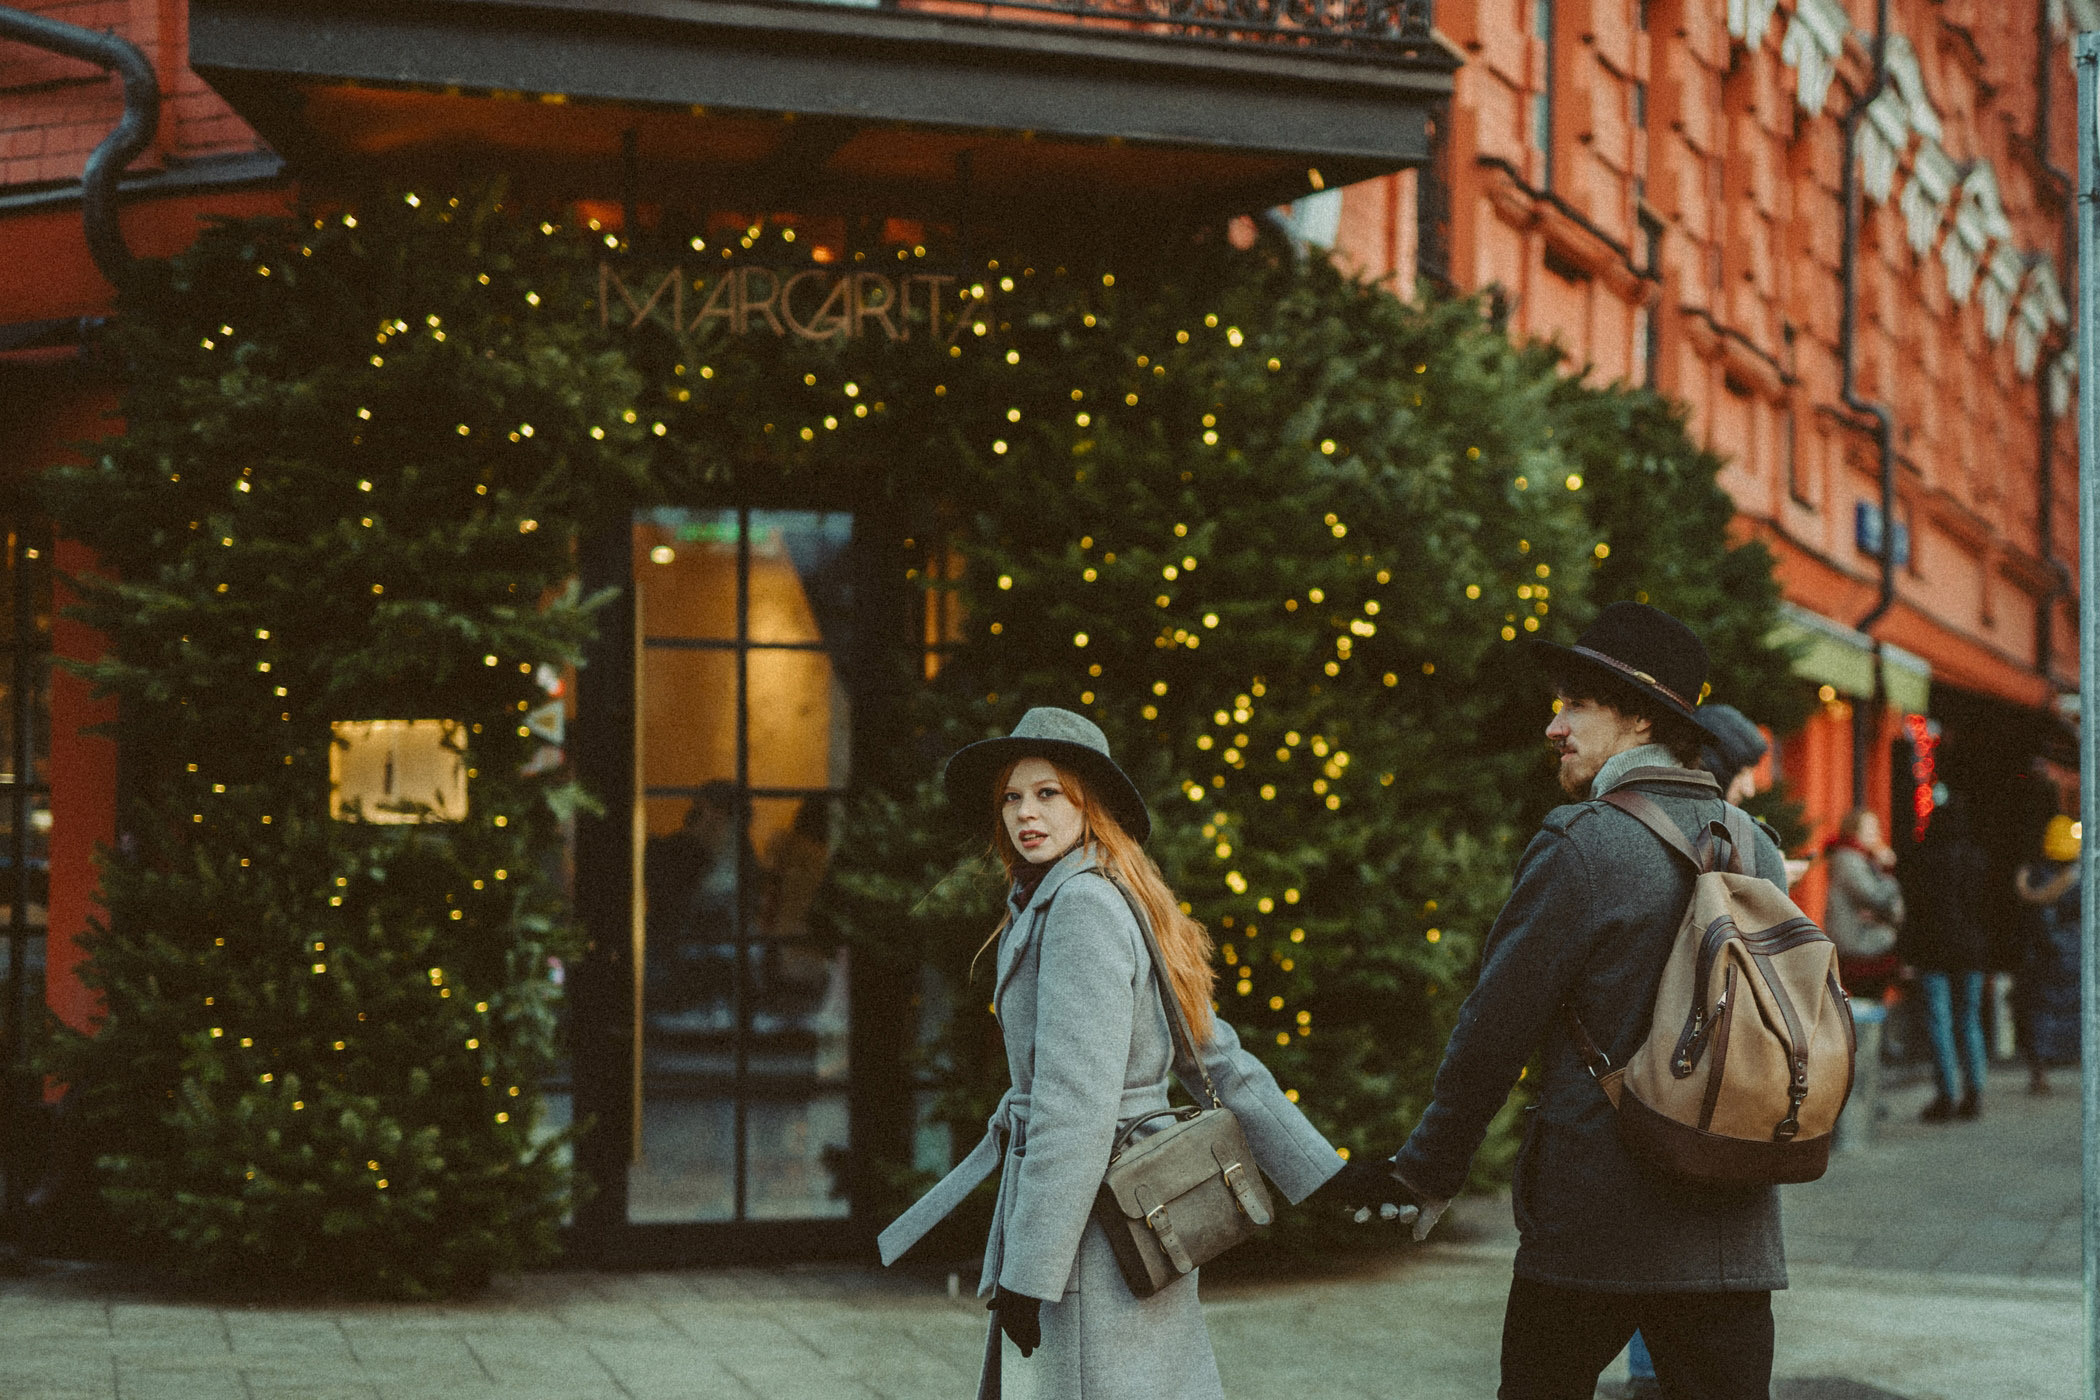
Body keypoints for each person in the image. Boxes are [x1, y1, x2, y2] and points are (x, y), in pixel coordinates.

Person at [1350, 602, 1793, 1400]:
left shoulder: (1581, 842)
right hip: (1731, 1216)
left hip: (1597, 1223)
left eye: (1575, 704)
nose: (1554, 727)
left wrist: (1428, 1170)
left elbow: (1493, 1031)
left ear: (1638, 720)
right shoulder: (1755, 844)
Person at [875, 707, 1383, 1400]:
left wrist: (1028, 1277)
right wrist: (1320, 1171)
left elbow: (1074, 1109)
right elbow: (1215, 1055)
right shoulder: (1111, 895)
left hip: (1086, 1229)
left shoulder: (1080, 909)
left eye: (1049, 793)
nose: (1026, 812)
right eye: (1012, 797)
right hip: (1138, 1215)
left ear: (1093, 802)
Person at [1899, 799, 1990, 1122]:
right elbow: (1986, 908)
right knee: (1970, 1019)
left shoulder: (1922, 859)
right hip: (1971, 950)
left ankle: (1946, 1096)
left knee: (1940, 1022)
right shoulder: (1977, 860)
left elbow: (1913, 911)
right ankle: (1975, 1092)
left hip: (1932, 949)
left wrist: (1907, 953)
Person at [2014, 814, 2082, 1096]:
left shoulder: (2035, 875)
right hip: (2073, 956)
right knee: (2075, 1011)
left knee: (2040, 1013)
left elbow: (2036, 919)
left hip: (2046, 957)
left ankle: (2040, 1073)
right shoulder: (2080, 876)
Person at [1823, 809, 1904, 1002]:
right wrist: (1888, 870)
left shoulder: (1861, 858)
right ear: (1853, 832)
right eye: (1870, 829)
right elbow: (1876, 897)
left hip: (1862, 938)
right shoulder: (1849, 860)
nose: (1876, 834)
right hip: (1859, 943)